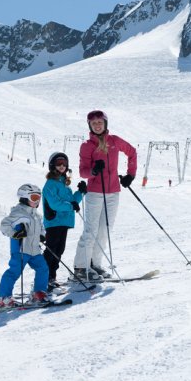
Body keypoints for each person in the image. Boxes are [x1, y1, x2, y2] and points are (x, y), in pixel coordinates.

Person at [74, 110, 137, 281]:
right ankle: (81, 267)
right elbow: (82, 172)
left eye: (100, 122)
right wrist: (93, 170)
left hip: (113, 192)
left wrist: (130, 175)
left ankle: (95, 264)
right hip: (94, 192)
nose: (97, 125)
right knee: (91, 229)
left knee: (105, 229)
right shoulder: (87, 146)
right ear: (90, 126)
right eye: (93, 123)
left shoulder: (115, 141)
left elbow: (132, 152)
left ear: (105, 123)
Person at [0, 184, 50, 308]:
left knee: (43, 268)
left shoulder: (37, 215)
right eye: (34, 197)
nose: (37, 201)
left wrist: (42, 235)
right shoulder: (18, 213)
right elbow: (4, 225)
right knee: (14, 272)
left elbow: (41, 228)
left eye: (39, 198)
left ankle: (39, 292)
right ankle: (4, 298)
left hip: (35, 250)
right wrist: (15, 233)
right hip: (21, 250)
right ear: (24, 197)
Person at [42, 152, 84, 292]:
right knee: (51, 251)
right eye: (59, 163)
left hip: (64, 222)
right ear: (52, 165)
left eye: (64, 164)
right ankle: (45, 278)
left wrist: (81, 192)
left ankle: (52, 277)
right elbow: (55, 204)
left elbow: (72, 202)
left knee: (59, 250)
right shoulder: (50, 184)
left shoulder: (65, 184)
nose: (61, 166)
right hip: (54, 222)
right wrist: (71, 205)